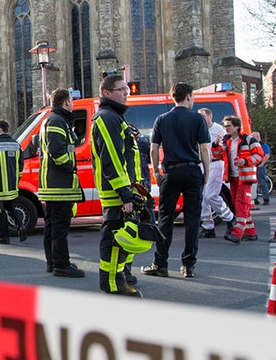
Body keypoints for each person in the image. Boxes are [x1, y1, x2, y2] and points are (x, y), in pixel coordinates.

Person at [144, 82, 210, 279]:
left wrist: (156, 171)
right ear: (188, 96)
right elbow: (205, 149)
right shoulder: (197, 119)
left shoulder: (162, 119)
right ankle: (188, 265)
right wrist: (206, 173)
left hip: (171, 173)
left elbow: (154, 148)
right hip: (192, 171)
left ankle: (160, 263)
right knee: (192, 219)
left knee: (165, 218)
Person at [92, 73, 145, 297]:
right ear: (107, 93)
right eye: (122, 89)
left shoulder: (114, 117)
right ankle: (112, 284)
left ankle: (119, 277)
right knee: (114, 237)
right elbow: (112, 159)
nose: (127, 92)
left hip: (125, 188)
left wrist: (135, 188)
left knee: (121, 238)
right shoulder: (107, 118)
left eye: (126, 89)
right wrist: (125, 193)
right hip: (117, 191)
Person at [39, 88, 84, 277]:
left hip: (52, 184)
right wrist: (70, 168)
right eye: (72, 101)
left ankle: (54, 262)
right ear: (66, 102)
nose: (73, 105)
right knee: (59, 226)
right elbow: (57, 152)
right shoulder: (57, 121)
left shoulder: (52, 120)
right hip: (59, 184)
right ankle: (61, 264)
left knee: (52, 225)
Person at [221, 115, 264, 243]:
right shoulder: (227, 141)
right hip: (233, 178)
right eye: (225, 126)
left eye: (228, 126)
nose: (226, 128)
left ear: (237, 127)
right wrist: (216, 145)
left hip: (245, 177)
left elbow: (259, 155)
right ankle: (251, 232)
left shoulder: (248, 140)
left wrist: (245, 161)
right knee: (237, 204)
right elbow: (219, 155)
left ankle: (237, 233)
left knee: (241, 204)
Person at [0, 119, 26, 244]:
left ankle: (4, 236)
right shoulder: (17, 144)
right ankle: (21, 226)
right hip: (12, 184)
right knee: (10, 207)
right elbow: (20, 164)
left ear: (0, 129)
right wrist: (16, 179)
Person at [196, 108, 235, 238]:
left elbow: (225, 147)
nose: (201, 119)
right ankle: (208, 227)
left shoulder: (219, 130)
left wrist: (216, 145)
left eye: (203, 116)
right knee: (202, 197)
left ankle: (229, 218)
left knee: (211, 195)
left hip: (214, 163)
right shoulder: (198, 129)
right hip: (201, 163)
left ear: (210, 116)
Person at [253, 131, 272, 206]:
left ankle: (266, 199)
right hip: (254, 166)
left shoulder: (264, 145)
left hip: (260, 166)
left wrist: (262, 164)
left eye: (254, 137)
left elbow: (267, 155)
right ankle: (255, 199)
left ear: (258, 137)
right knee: (255, 183)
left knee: (262, 183)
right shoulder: (254, 145)